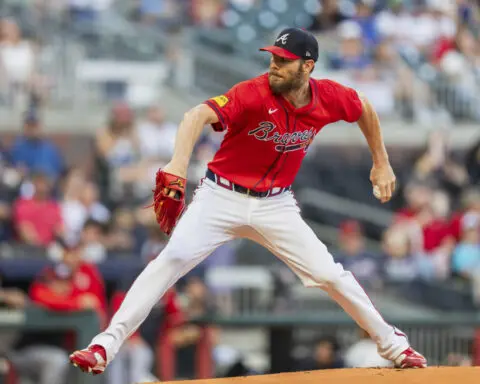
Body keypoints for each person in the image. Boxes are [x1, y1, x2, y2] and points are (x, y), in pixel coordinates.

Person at [70, 27, 427, 375]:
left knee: (328, 274)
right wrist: (178, 163)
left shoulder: (329, 96)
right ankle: (104, 345)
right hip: (220, 196)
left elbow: (363, 106)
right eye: (273, 57)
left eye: (284, 61)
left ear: (308, 66)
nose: (274, 65)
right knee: (171, 259)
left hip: (276, 205)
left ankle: (394, 345)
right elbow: (196, 115)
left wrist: (381, 161)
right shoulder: (252, 93)